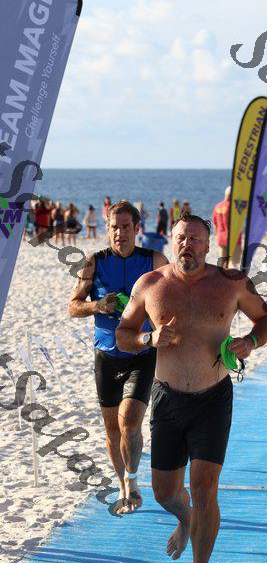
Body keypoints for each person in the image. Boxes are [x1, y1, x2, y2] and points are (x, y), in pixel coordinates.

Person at [115, 213, 267, 563]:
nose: (187, 245)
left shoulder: (231, 283)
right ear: (172, 241)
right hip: (167, 399)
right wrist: (148, 339)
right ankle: (184, 518)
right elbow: (123, 334)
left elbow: (266, 319)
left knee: (204, 489)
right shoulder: (150, 284)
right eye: (181, 238)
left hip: (213, 399)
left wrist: (251, 342)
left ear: (208, 244)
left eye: (195, 239)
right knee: (165, 493)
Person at [68, 200, 168, 514]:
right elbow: (73, 306)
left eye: (126, 227)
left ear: (136, 228)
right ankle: (123, 485)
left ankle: (134, 480)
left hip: (141, 352)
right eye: (114, 227)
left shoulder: (154, 260)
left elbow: (176, 298)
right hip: (106, 356)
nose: (119, 233)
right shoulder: (94, 262)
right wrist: (97, 306)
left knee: (130, 423)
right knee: (112, 429)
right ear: (107, 228)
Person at [211, 186, 242, 268]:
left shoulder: (217, 206)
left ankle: (222, 276)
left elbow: (214, 223)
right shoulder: (234, 207)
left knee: (223, 263)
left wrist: (217, 235)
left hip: (221, 237)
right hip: (233, 238)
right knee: (234, 263)